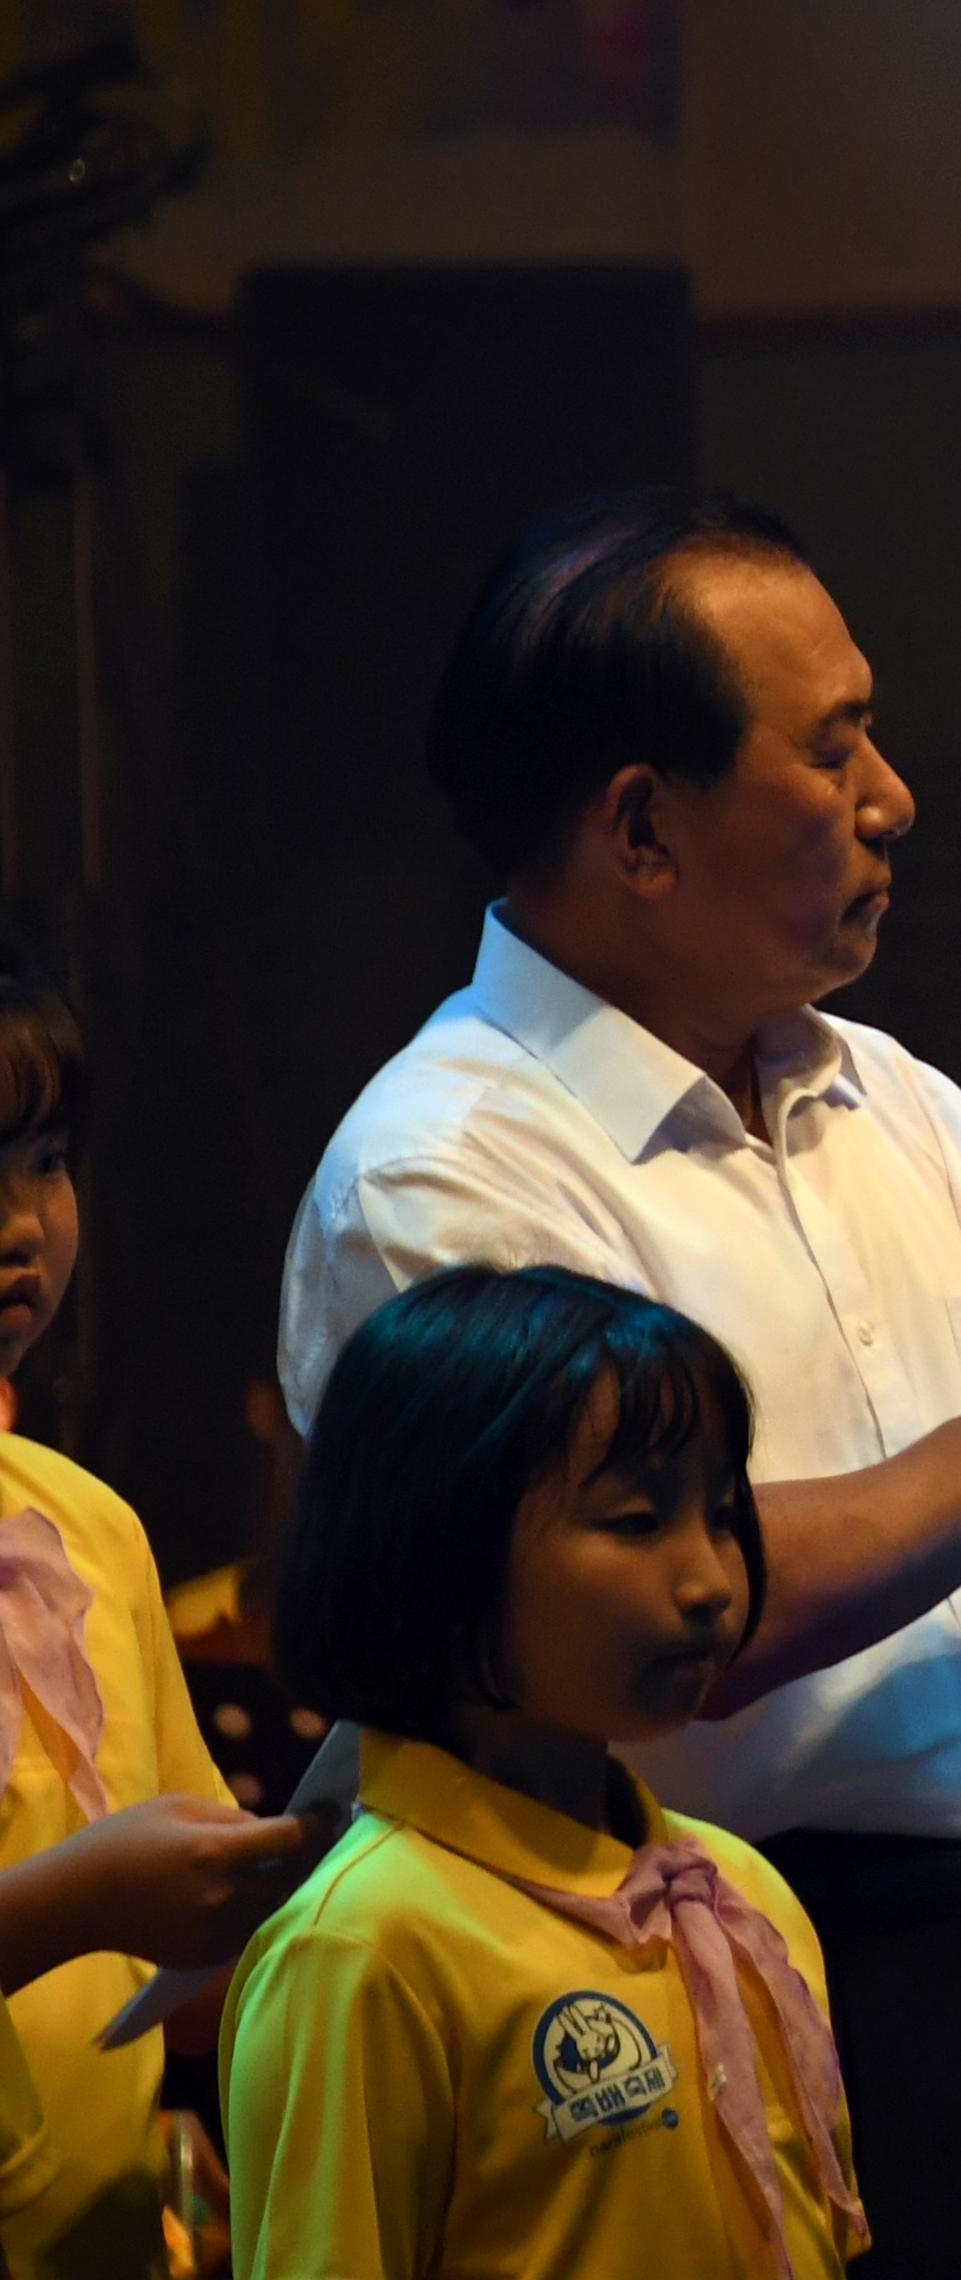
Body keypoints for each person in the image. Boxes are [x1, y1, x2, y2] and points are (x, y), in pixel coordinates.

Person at [275, 488, 961, 2280]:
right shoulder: (446, 1169)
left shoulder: (897, 1098)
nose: (894, 793)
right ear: (640, 826)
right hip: (661, 1960)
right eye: (834, 744)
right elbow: (658, 1607)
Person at [225, 1265, 864, 2278]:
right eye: (638, 1520)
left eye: (721, 1511)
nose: (710, 1579)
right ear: (439, 1550)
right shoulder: (367, 1944)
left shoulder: (742, 1893)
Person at [0, 947, 315, 2280]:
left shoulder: (87, 1527)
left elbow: (195, 1962)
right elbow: (89, 1904)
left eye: (49, 1160)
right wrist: (71, 1909)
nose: (23, 1219)